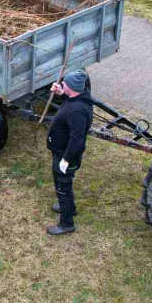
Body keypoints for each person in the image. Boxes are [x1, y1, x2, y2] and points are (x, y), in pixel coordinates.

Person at [46, 70, 94, 236]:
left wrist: (65, 160)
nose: (61, 85)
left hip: (65, 155)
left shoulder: (76, 111)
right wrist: (61, 93)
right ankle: (69, 207)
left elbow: (77, 140)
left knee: (62, 186)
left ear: (72, 88)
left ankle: (66, 224)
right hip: (61, 152)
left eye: (64, 84)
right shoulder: (78, 98)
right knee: (63, 185)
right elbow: (69, 102)